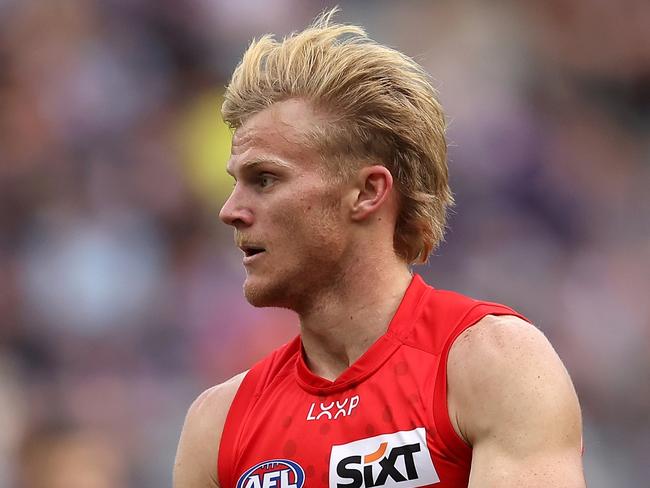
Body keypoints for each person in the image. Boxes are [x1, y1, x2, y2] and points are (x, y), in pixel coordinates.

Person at [174, 9, 585, 488]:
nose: (230, 210)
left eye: (264, 179)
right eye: (236, 182)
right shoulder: (218, 425)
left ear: (368, 192)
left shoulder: (492, 363)